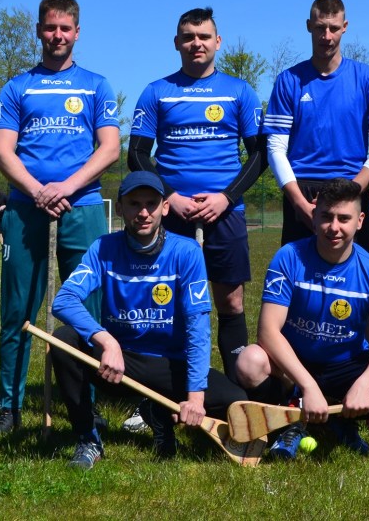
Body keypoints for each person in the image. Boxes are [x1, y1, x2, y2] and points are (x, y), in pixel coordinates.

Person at [0, 0, 121, 436]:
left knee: (87, 310)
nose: (57, 35)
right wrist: (37, 191)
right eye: (50, 27)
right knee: (18, 310)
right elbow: (2, 151)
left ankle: (87, 405)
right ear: (38, 30)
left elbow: (109, 148)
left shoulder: (96, 85)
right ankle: (9, 406)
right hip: (27, 211)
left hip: (82, 209)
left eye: (65, 28)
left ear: (77, 33)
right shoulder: (17, 87)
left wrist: (66, 187)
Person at [49, 171, 248, 468]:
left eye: (151, 204)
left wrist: (195, 398)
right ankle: (88, 439)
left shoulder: (187, 252)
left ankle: (157, 411)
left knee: (234, 400)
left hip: (170, 365)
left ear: (165, 208)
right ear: (119, 208)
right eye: (134, 204)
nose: (143, 213)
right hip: (119, 364)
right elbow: (64, 300)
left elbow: (198, 329)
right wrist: (106, 341)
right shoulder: (103, 248)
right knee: (64, 340)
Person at [235, 178, 369, 458]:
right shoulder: (288, 257)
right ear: (314, 217)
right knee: (249, 362)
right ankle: (289, 418)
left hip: (347, 366)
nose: (334, 227)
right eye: (326, 216)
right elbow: (268, 332)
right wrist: (307, 385)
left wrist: (363, 386)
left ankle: (342, 418)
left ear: (360, 221)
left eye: (344, 218)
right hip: (294, 363)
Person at [128, 6, 265, 386]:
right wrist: (170, 197)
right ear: (177, 43)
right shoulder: (157, 92)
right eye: (188, 37)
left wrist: (226, 197)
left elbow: (260, 155)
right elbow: (137, 153)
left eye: (204, 36)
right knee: (164, 301)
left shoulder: (240, 91)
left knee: (230, 302)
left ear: (217, 42)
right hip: (172, 215)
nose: (196, 43)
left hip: (225, 214)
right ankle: (162, 394)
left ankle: (234, 393)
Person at [263, 0, 369, 256]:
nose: (327, 36)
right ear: (309, 26)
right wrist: (299, 203)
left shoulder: (368, 79)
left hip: (352, 186)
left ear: (345, 27)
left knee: (355, 276)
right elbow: (275, 147)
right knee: (299, 276)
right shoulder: (288, 80)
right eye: (320, 27)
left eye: (334, 28)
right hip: (302, 191)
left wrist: (352, 191)